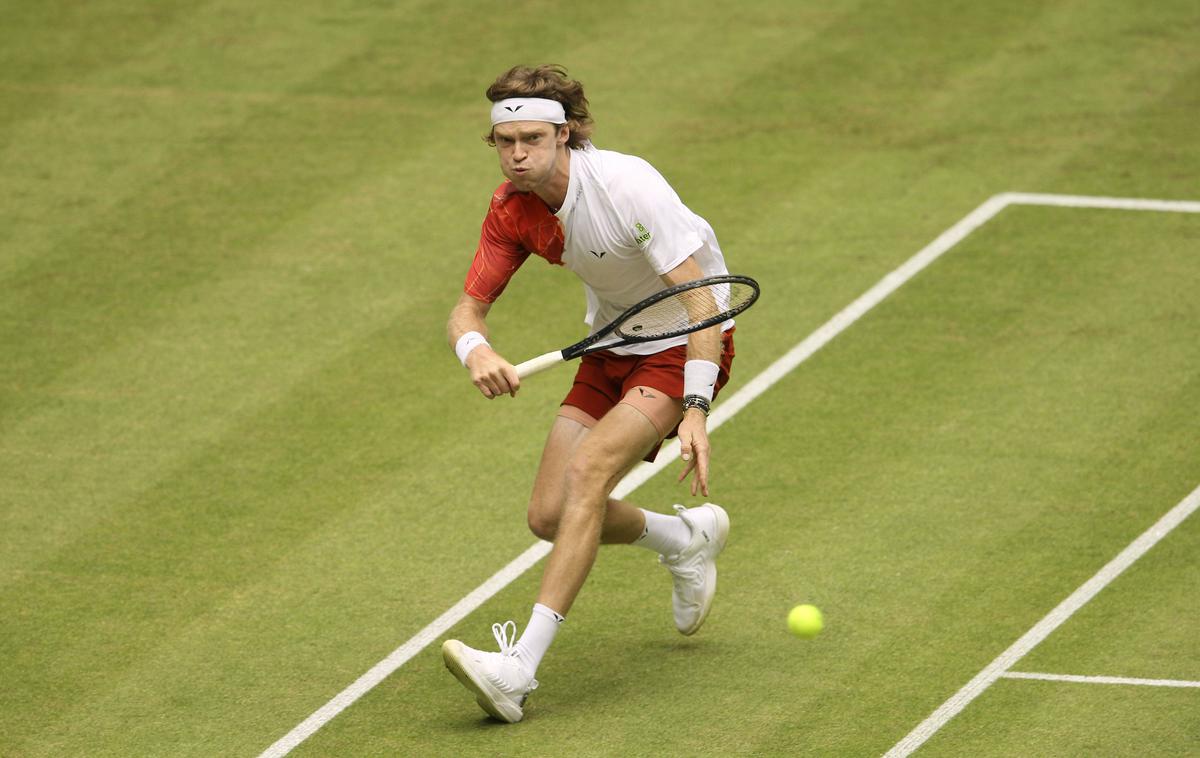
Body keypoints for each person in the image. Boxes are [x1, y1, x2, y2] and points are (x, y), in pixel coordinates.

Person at [441, 64, 738, 723]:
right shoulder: (512, 212)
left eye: (532, 139)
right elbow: (466, 311)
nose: (518, 155)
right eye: (504, 141)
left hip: (683, 346)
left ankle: (518, 669)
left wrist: (696, 407)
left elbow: (702, 300)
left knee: (588, 475)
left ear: (566, 134)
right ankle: (683, 541)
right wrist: (477, 350)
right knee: (549, 515)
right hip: (611, 344)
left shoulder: (628, 186)